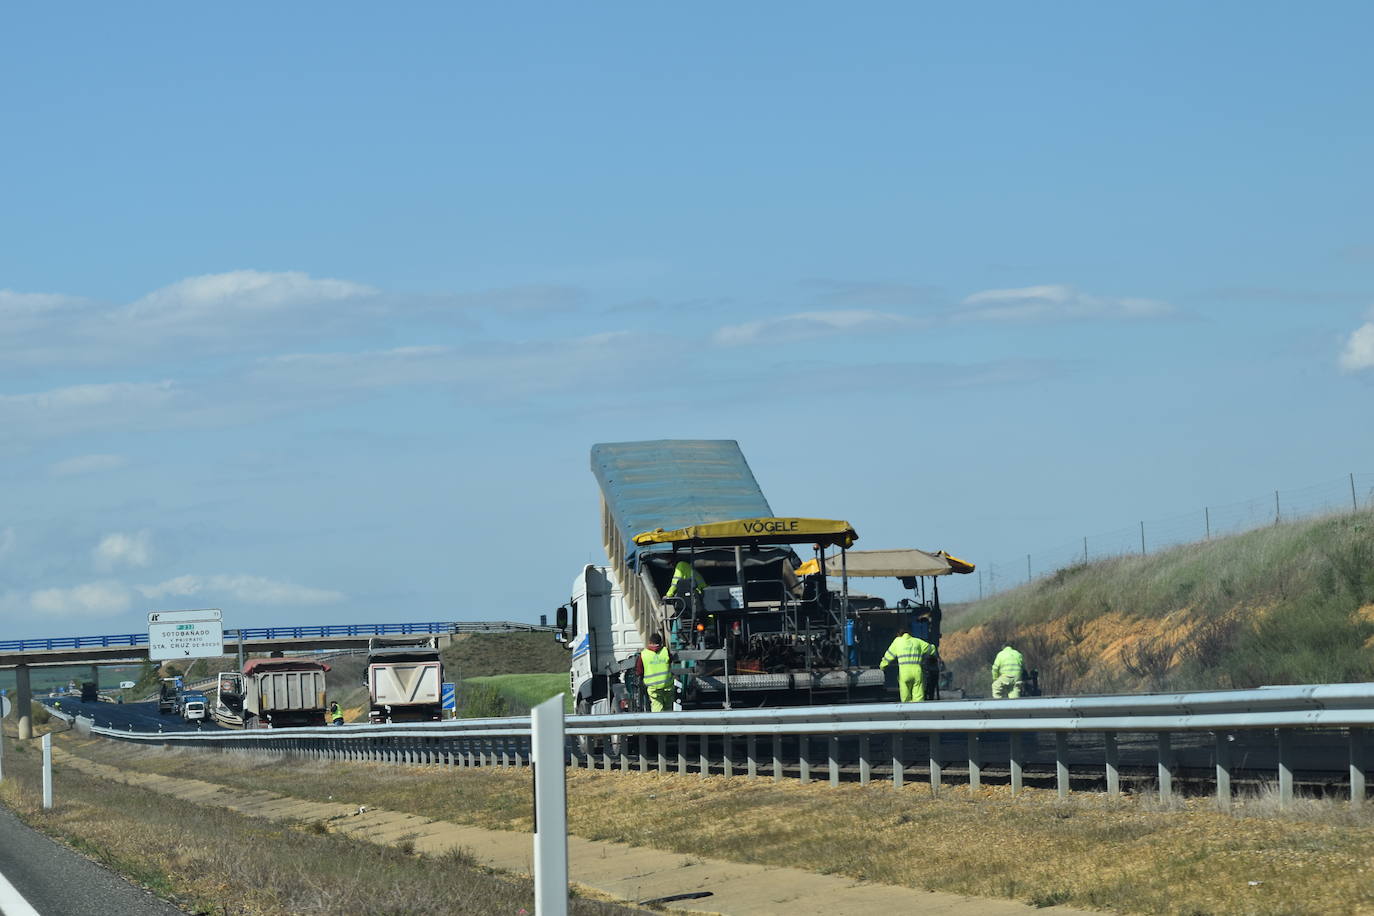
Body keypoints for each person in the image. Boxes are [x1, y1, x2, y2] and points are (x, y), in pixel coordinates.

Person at [879, 624, 937, 702]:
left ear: (899, 634)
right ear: (910, 633)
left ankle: (907, 711)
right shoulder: (917, 641)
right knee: (918, 698)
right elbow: (931, 649)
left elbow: (889, 656)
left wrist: (882, 666)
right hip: (917, 672)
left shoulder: (897, 641)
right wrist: (934, 653)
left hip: (904, 673)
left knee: (905, 698)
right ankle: (918, 711)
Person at [635, 633, 675, 712]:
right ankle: (670, 722)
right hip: (668, 686)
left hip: (653, 688)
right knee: (669, 707)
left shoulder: (644, 654)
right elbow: (670, 661)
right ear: (660, 642)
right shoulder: (665, 651)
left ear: (649, 642)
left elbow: (639, 671)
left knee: (657, 707)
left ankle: (659, 722)